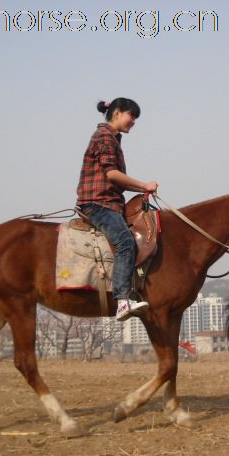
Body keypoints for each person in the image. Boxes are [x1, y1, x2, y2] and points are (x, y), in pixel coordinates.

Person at [76, 98, 158, 321]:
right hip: (98, 203)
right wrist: (143, 185)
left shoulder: (113, 139)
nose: (133, 122)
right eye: (132, 116)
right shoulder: (104, 136)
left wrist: (142, 190)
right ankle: (122, 300)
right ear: (118, 113)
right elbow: (111, 174)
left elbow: (117, 180)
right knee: (125, 242)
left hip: (110, 201)